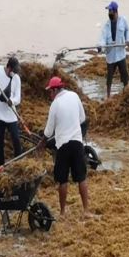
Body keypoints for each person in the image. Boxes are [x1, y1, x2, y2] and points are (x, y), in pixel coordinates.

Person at [41, 76, 91, 218]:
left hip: (63, 145)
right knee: (81, 178)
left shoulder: (55, 104)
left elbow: (49, 130)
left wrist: (42, 142)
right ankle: (86, 211)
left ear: (55, 90)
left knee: (62, 180)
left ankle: (63, 213)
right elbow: (82, 118)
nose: (50, 95)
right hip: (77, 142)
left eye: (50, 92)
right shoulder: (74, 96)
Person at [97, 1, 129, 99]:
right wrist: (100, 46)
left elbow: (127, 30)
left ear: (116, 11)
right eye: (108, 11)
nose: (109, 13)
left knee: (124, 75)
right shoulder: (106, 25)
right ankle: (108, 96)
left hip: (120, 54)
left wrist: (128, 40)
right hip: (111, 55)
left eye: (110, 11)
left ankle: (126, 92)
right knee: (109, 77)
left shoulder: (123, 21)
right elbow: (103, 38)